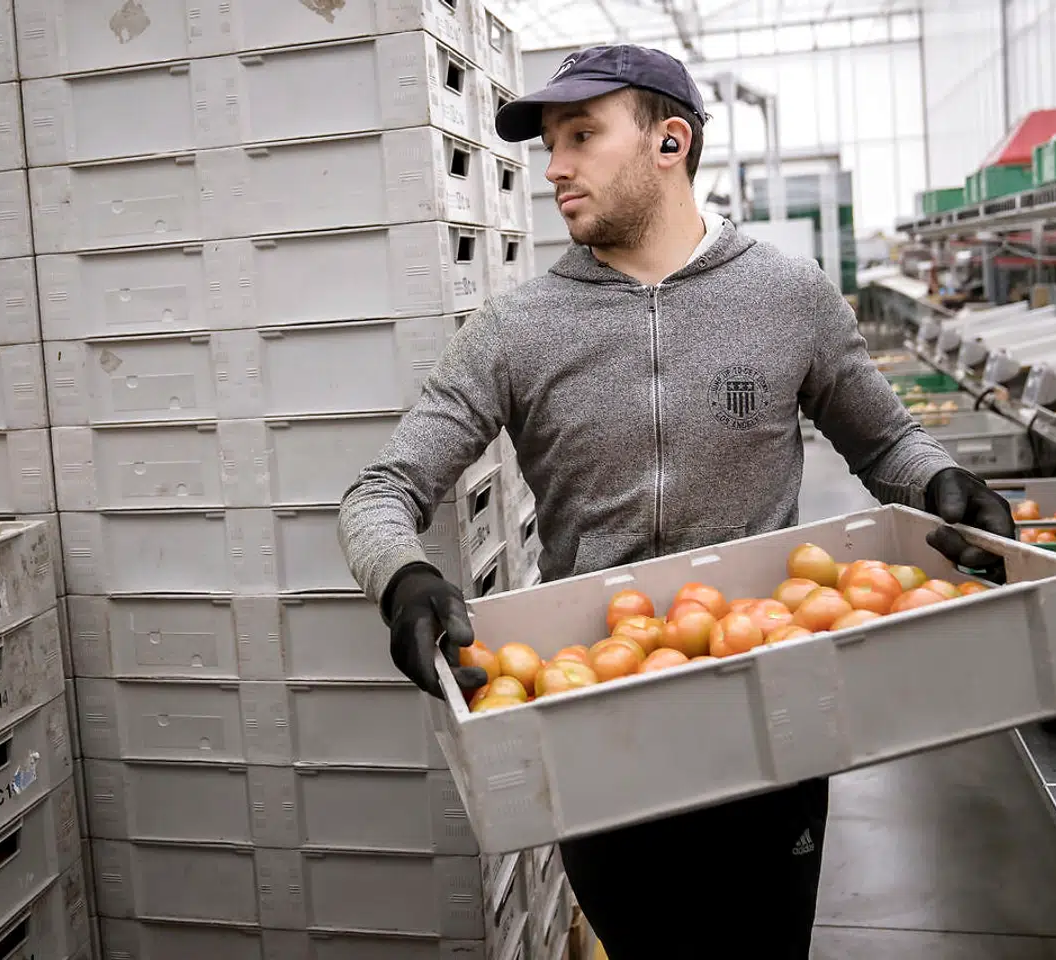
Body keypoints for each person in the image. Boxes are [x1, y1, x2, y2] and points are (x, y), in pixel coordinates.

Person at [338, 43, 1016, 959]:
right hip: (594, 720)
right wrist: (404, 578)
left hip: (771, 705)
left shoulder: (788, 297)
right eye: (549, 143)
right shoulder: (516, 330)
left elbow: (887, 440)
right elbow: (381, 490)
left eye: (581, 135)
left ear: (670, 142)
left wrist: (939, 483)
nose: (554, 167)